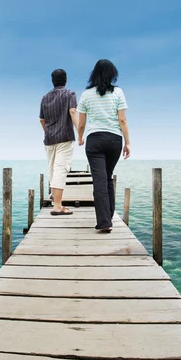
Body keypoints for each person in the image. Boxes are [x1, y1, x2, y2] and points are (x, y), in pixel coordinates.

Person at [76, 59, 131, 232]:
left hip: (95, 140)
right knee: (107, 178)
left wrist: (80, 137)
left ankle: (105, 221)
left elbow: (81, 123)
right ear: (112, 74)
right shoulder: (118, 93)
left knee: (100, 181)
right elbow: (122, 119)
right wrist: (128, 142)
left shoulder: (86, 95)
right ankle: (108, 216)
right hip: (115, 140)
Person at [39, 68, 79, 215]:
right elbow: (73, 112)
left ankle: (55, 200)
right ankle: (57, 206)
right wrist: (80, 132)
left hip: (49, 139)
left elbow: (42, 120)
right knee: (61, 169)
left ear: (52, 81)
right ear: (65, 80)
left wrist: (48, 132)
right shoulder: (70, 94)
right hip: (65, 137)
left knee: (52, 169)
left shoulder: (45, 98)